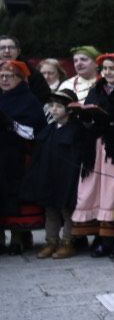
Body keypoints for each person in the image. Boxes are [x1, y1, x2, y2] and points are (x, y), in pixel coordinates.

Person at [71, 54, 114, 257]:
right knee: (94, 189)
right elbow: (89, 112)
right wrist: (86, 117)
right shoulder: (97, 89)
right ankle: (101, 236)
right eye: (104, 69)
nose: (107, 73)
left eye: (112, 69)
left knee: (113, 190)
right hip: (95, 146)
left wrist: (113, 122)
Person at [21, 90, 82, 258]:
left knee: (66, 211)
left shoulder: (76, 130)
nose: (53, 109)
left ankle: (68, 241)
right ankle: (51, 241)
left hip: (66, 178)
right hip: (49, 176)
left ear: (69, 109)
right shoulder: (50, 129)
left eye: (58, 106)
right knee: (51, 211)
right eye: (51, 105)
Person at [0, 59, 46, 253]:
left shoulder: (29, 100)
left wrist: (9, 123)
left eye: (9, 76)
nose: (4, 79)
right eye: (1, 76)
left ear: (20, 78)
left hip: (18, 157)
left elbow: (35, 131)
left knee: (15, 197)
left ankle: (18, 237)